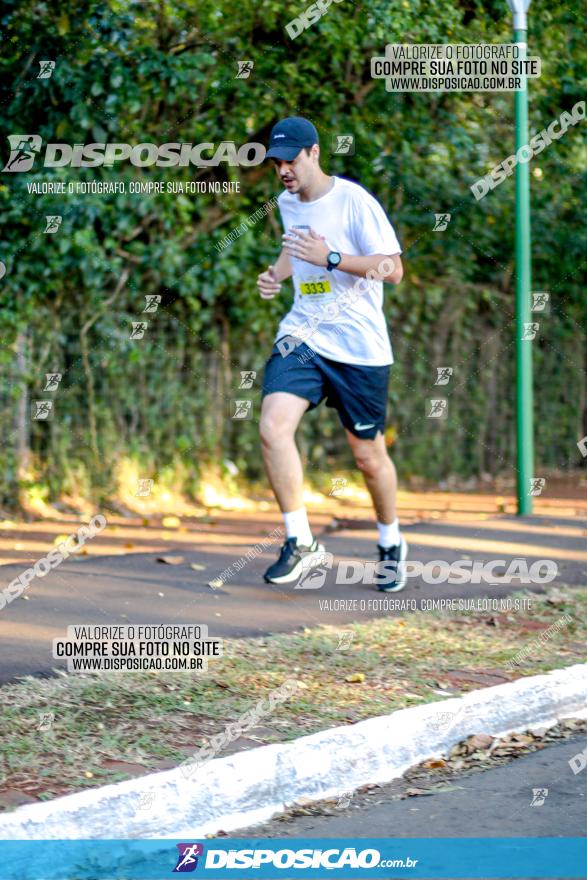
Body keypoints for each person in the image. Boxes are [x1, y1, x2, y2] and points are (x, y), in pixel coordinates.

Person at [257, 116, 407, 591]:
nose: (284, 170)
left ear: (315, 153)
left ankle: (390, 542)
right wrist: (277, 274)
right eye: (277, 162)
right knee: (272, 427)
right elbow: (295, 248)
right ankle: (300, 541)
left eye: (291, 160)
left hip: (359, 348)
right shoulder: (286, 201)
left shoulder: (355, 202)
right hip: (303, 335)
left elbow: (394, 269)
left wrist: (333, 259)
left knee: (368, 458)